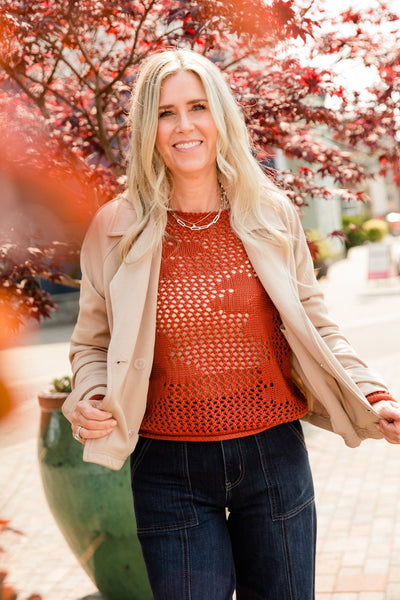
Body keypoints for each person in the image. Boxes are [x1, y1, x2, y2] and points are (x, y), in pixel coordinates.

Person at [62, 49, 400, 600]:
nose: (184, 125)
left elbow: (316, 322)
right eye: (166, 112)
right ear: (148, 126)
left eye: (198, 106)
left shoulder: (270, 214)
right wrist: (93, 391)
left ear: (221, 116)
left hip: (274, 456)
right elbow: (91, 343)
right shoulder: (114, 227)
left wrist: (372, 391)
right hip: (167, 466)